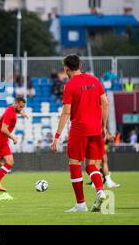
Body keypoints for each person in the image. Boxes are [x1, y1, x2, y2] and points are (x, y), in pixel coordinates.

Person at [50, 54, 109, 213]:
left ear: (66, 68)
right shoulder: (94, 80)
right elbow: (105, 102)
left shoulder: (70, 86)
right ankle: (100, 191)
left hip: (79, 129)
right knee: (91, 165)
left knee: (74, 163)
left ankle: (81, 204)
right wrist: (103, 126)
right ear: (80, 65)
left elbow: (66, 112)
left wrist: (56, 137)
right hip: (96, 129)